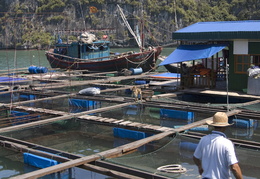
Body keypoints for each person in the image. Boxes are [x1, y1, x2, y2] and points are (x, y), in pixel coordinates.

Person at [193, 112, 243, 179]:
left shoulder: (204, 139)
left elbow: (195, 157)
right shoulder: (227, 143)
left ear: (213, 125)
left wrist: (200, 167)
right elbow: (234, 167)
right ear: (225, 127)